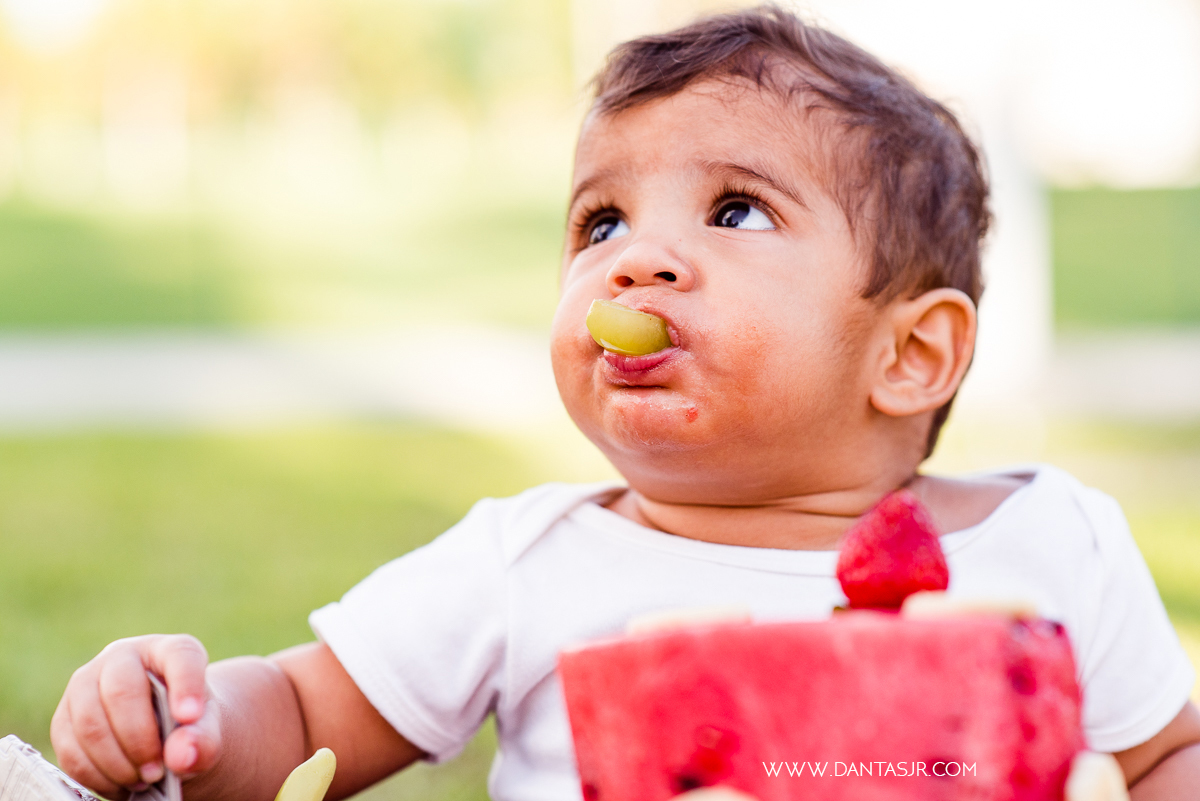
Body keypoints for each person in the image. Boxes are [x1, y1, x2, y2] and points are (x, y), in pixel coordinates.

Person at [49, 7, 1200, 800]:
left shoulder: (1056, 542)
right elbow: (303, 715)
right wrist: (189, 725)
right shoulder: (526, 564)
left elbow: (1165, 756)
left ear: (910, 355)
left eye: (736, 211)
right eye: (600, 222)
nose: (633, 264)